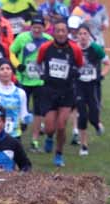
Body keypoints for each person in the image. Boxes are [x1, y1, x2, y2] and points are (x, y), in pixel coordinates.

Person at [35, 14, 83, 164]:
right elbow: (38, 63)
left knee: (61, 126)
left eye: (63, 31)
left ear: (67, 32)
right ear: (53, 32)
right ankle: (49, 137)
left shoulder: (75, 49)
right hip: (49, 91)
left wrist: (75, 74)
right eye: (58, 31)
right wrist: (41, 74)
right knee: (50, 128)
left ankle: (59, 154)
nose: (61, 33)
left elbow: (80, 65)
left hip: (67, 91)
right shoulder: (45, 47)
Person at [9, 13, 50, 140]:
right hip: (23, 80)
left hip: (40, 82)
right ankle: (18, 133)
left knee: (38, 111)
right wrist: (18, 65)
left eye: (39, 27)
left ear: (44, 28)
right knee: (21, 108)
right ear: (30, 27)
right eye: (34, 27)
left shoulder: (49, 40)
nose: (37, 30)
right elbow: (11, 52)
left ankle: (35, 140)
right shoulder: (22, 38)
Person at [70, 23, 106, 152]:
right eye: (80, 34)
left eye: (85, 34)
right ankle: (84, 145)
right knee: (82, 114)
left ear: (89, 35)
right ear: (77, 36)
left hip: (92, 85)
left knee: (93, 115)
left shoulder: (95, 48)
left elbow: (107, 63)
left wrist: (101, 75)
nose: (83, 36)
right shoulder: (73, 48)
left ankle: (96, 124)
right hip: (79, 84)